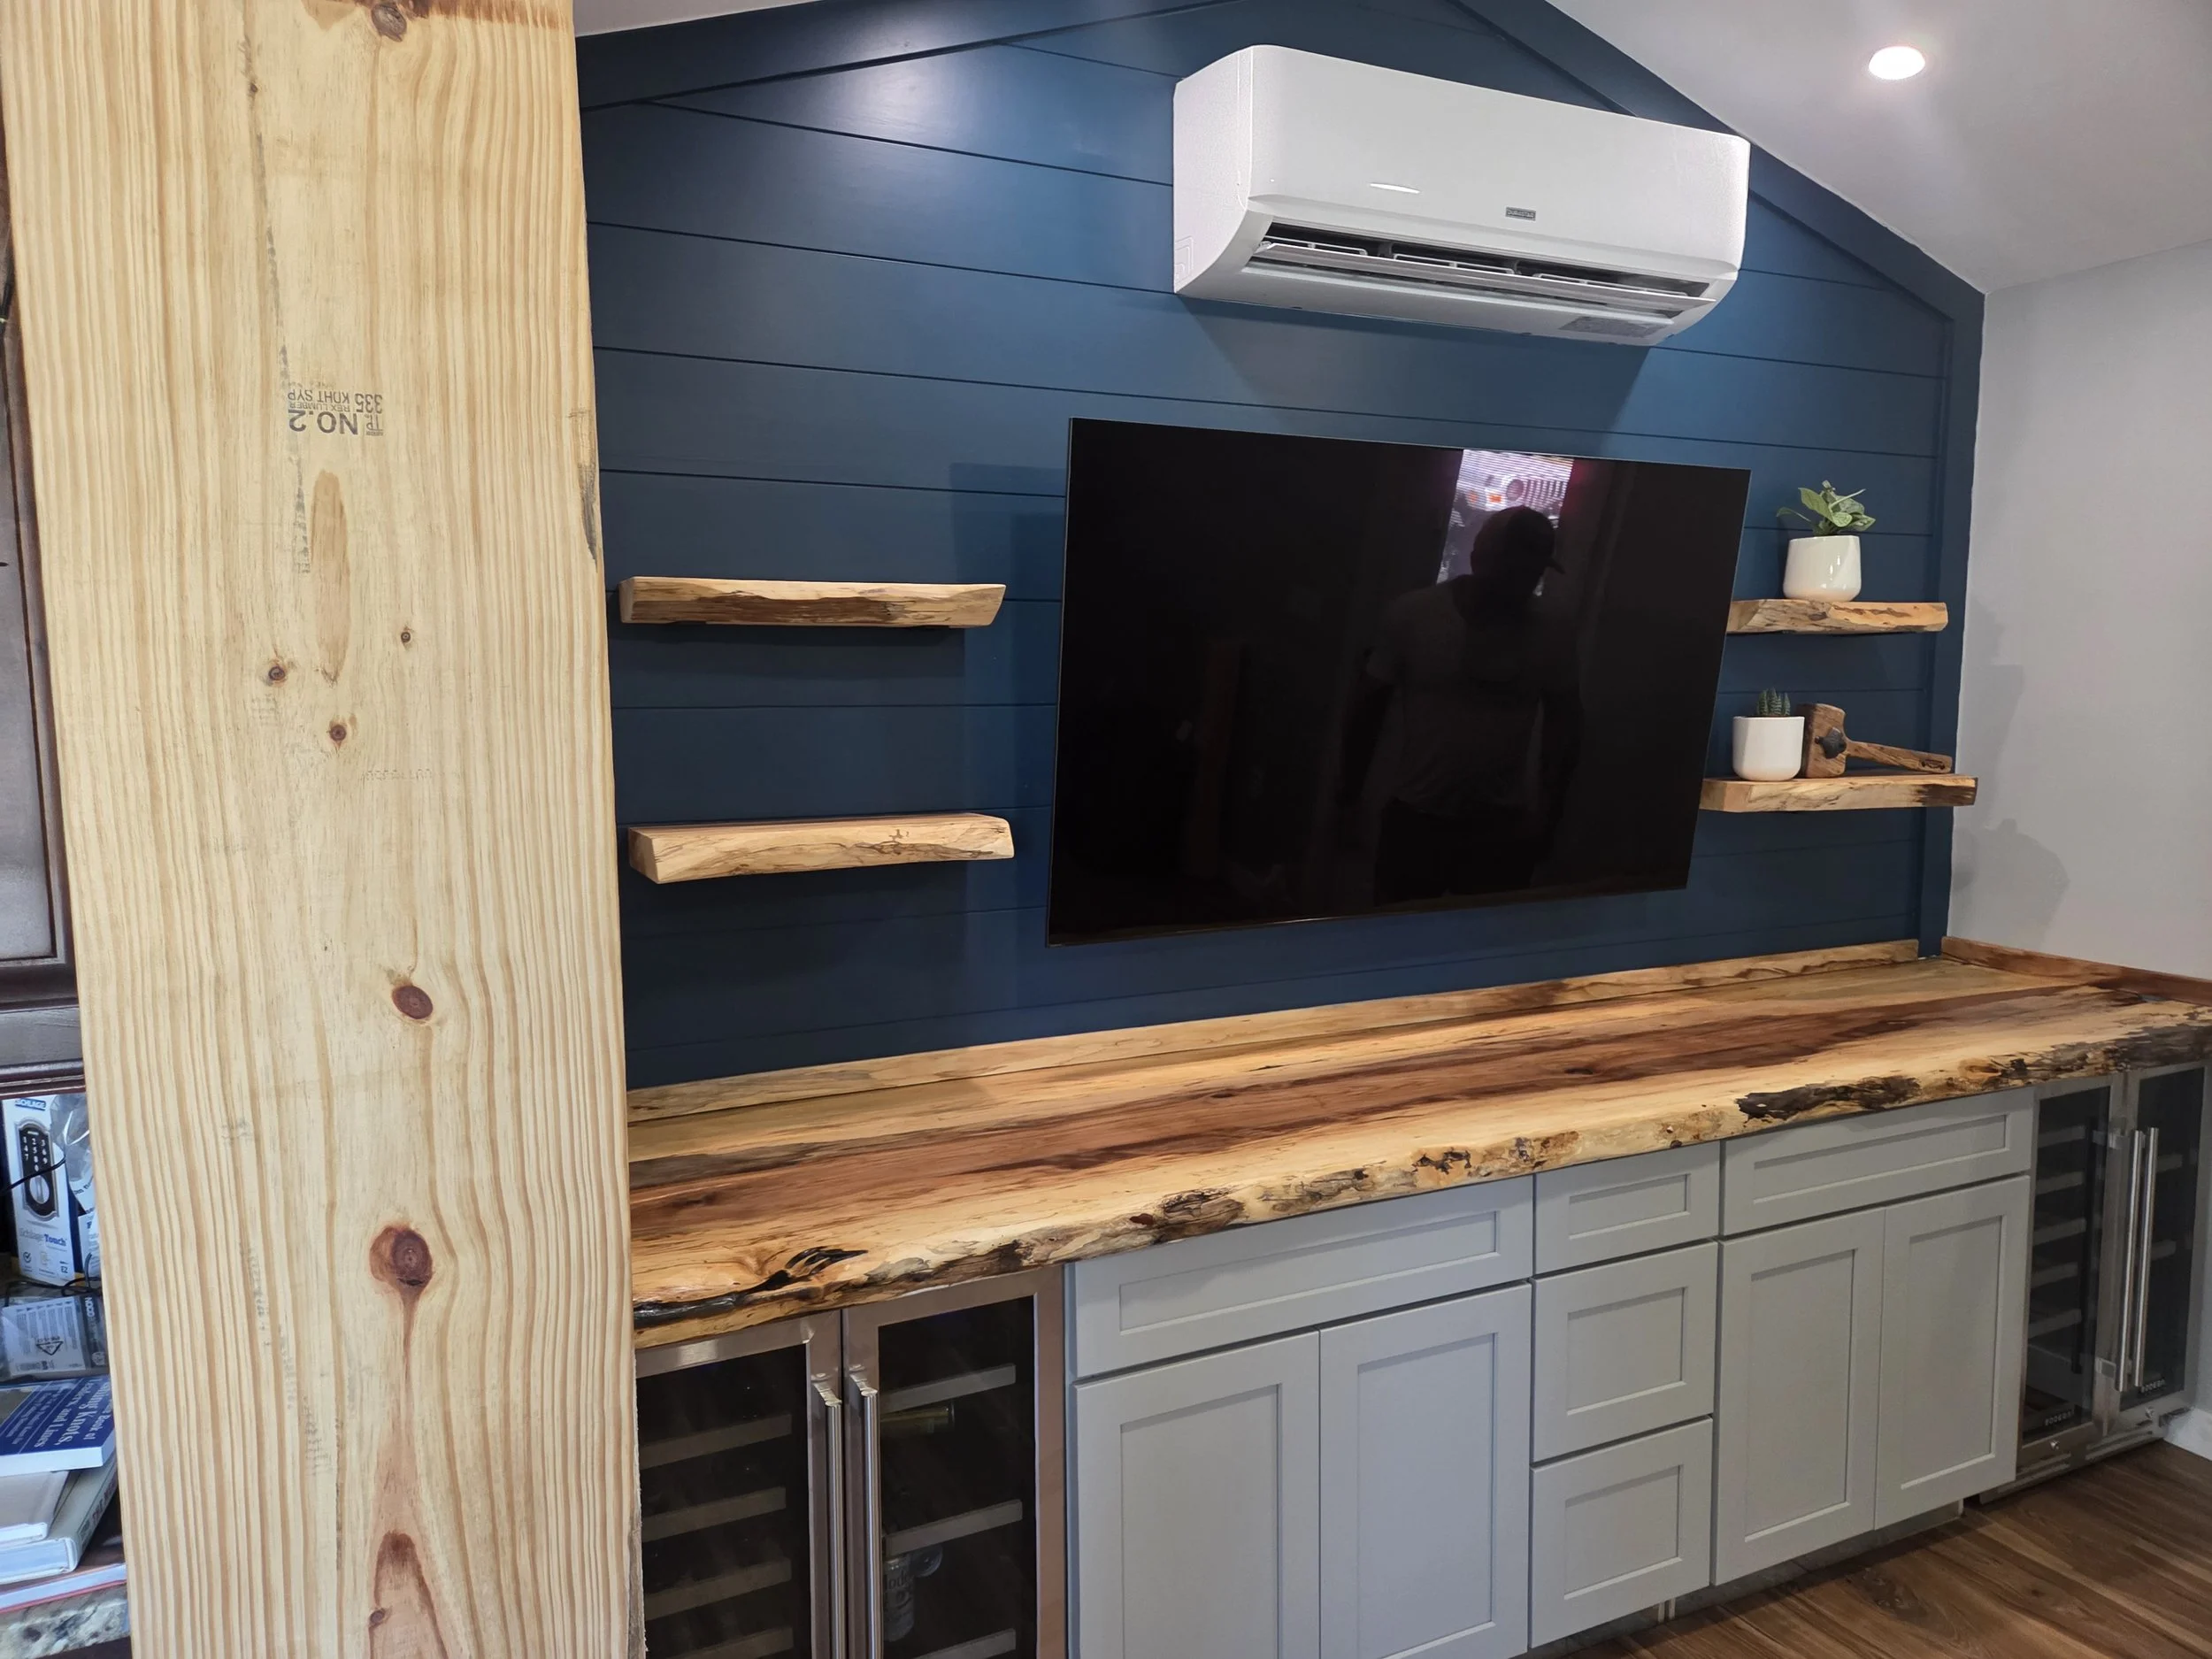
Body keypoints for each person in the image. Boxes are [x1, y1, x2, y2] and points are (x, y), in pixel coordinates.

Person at [1338, 506, 1583, 903]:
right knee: (1396, 933)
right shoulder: (1416, 615)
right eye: (1515, 569)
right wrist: (1347, 798)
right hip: (1417, 817)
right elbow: (1366, 709)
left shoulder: (1551, 632)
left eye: (1533, 572)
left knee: (1481, 943)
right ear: (1481, 559)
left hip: (1499, 824)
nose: (1523, 584)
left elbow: (1566, 726)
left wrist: (1548, 818)